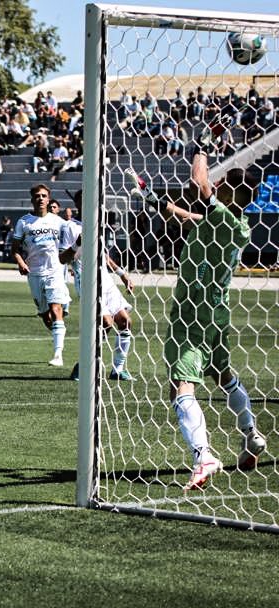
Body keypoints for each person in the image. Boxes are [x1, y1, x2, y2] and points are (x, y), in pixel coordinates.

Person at [126, 157, 266, 490]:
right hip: (218, 313)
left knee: (180, 382)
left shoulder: (221, 214)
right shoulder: (236, 224)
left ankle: (203, 455)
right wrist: (158, 202)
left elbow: (199, 182)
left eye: (224, 184)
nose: (217, 186)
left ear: (233, 191)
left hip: (194, 312)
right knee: (223, 374)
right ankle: (251, 433)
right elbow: (193, 220)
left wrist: (203, 146)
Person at [57, 189, 133, 382]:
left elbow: (104, 256)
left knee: (125, 321)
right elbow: (62, 259)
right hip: (87, 280)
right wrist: (77, 245)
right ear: (77, 204)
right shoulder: (69, 227)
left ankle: (118, 369)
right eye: (85, 200)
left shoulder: (98, 224)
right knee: (105, 323)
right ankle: (83, 366)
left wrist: (122, 274)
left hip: (106, 281)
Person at [12, 184, 71, 367]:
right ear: (32, 199)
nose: (41, 198)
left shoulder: (59, 222)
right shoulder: (24, 222)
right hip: (35, 273)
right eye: (37, 196)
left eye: (44, 195)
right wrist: (21, 262)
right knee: (46, 316)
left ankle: (57, 354)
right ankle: (56, 333)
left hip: (55, 271)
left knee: (56, 310)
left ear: (49, 198)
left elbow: (67, 246)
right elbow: (15, 249)